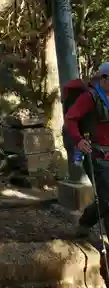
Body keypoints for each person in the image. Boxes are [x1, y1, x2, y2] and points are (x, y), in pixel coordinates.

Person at [66, 62, 109, 238]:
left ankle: (85, 222)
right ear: (104, 78)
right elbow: (71, 119)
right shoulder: (89, 98)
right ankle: (85, 225)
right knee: (107, 201)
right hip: (97, 157)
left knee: (105, 201)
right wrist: (79, 140)